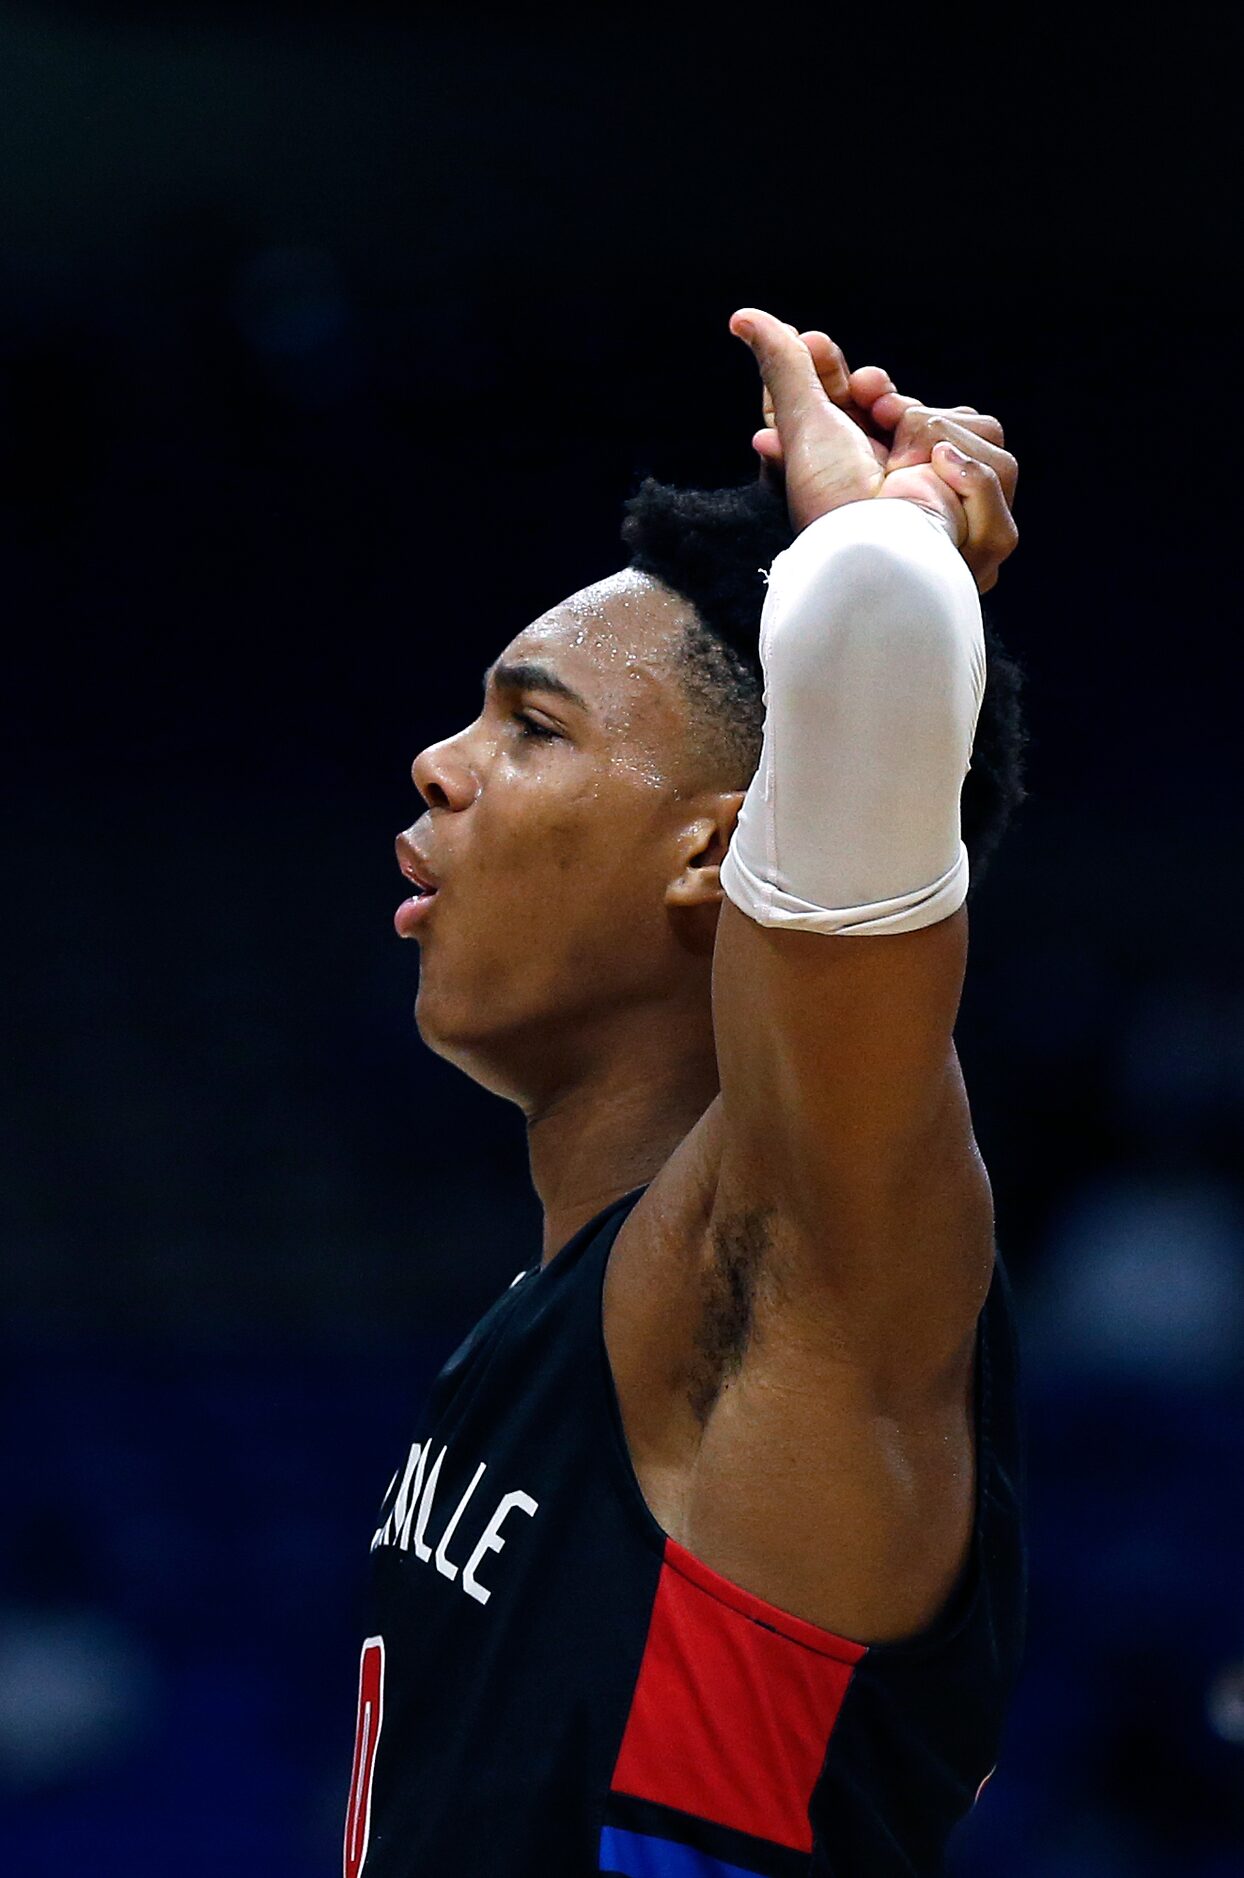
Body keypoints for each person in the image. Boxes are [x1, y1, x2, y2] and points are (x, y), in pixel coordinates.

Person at [344, 309, 1028, 1877]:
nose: (439, 765)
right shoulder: (556, 1309)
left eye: (531, 722)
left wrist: (890, 526)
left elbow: (870, 636)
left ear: (723, 848)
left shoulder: (804, 1253)